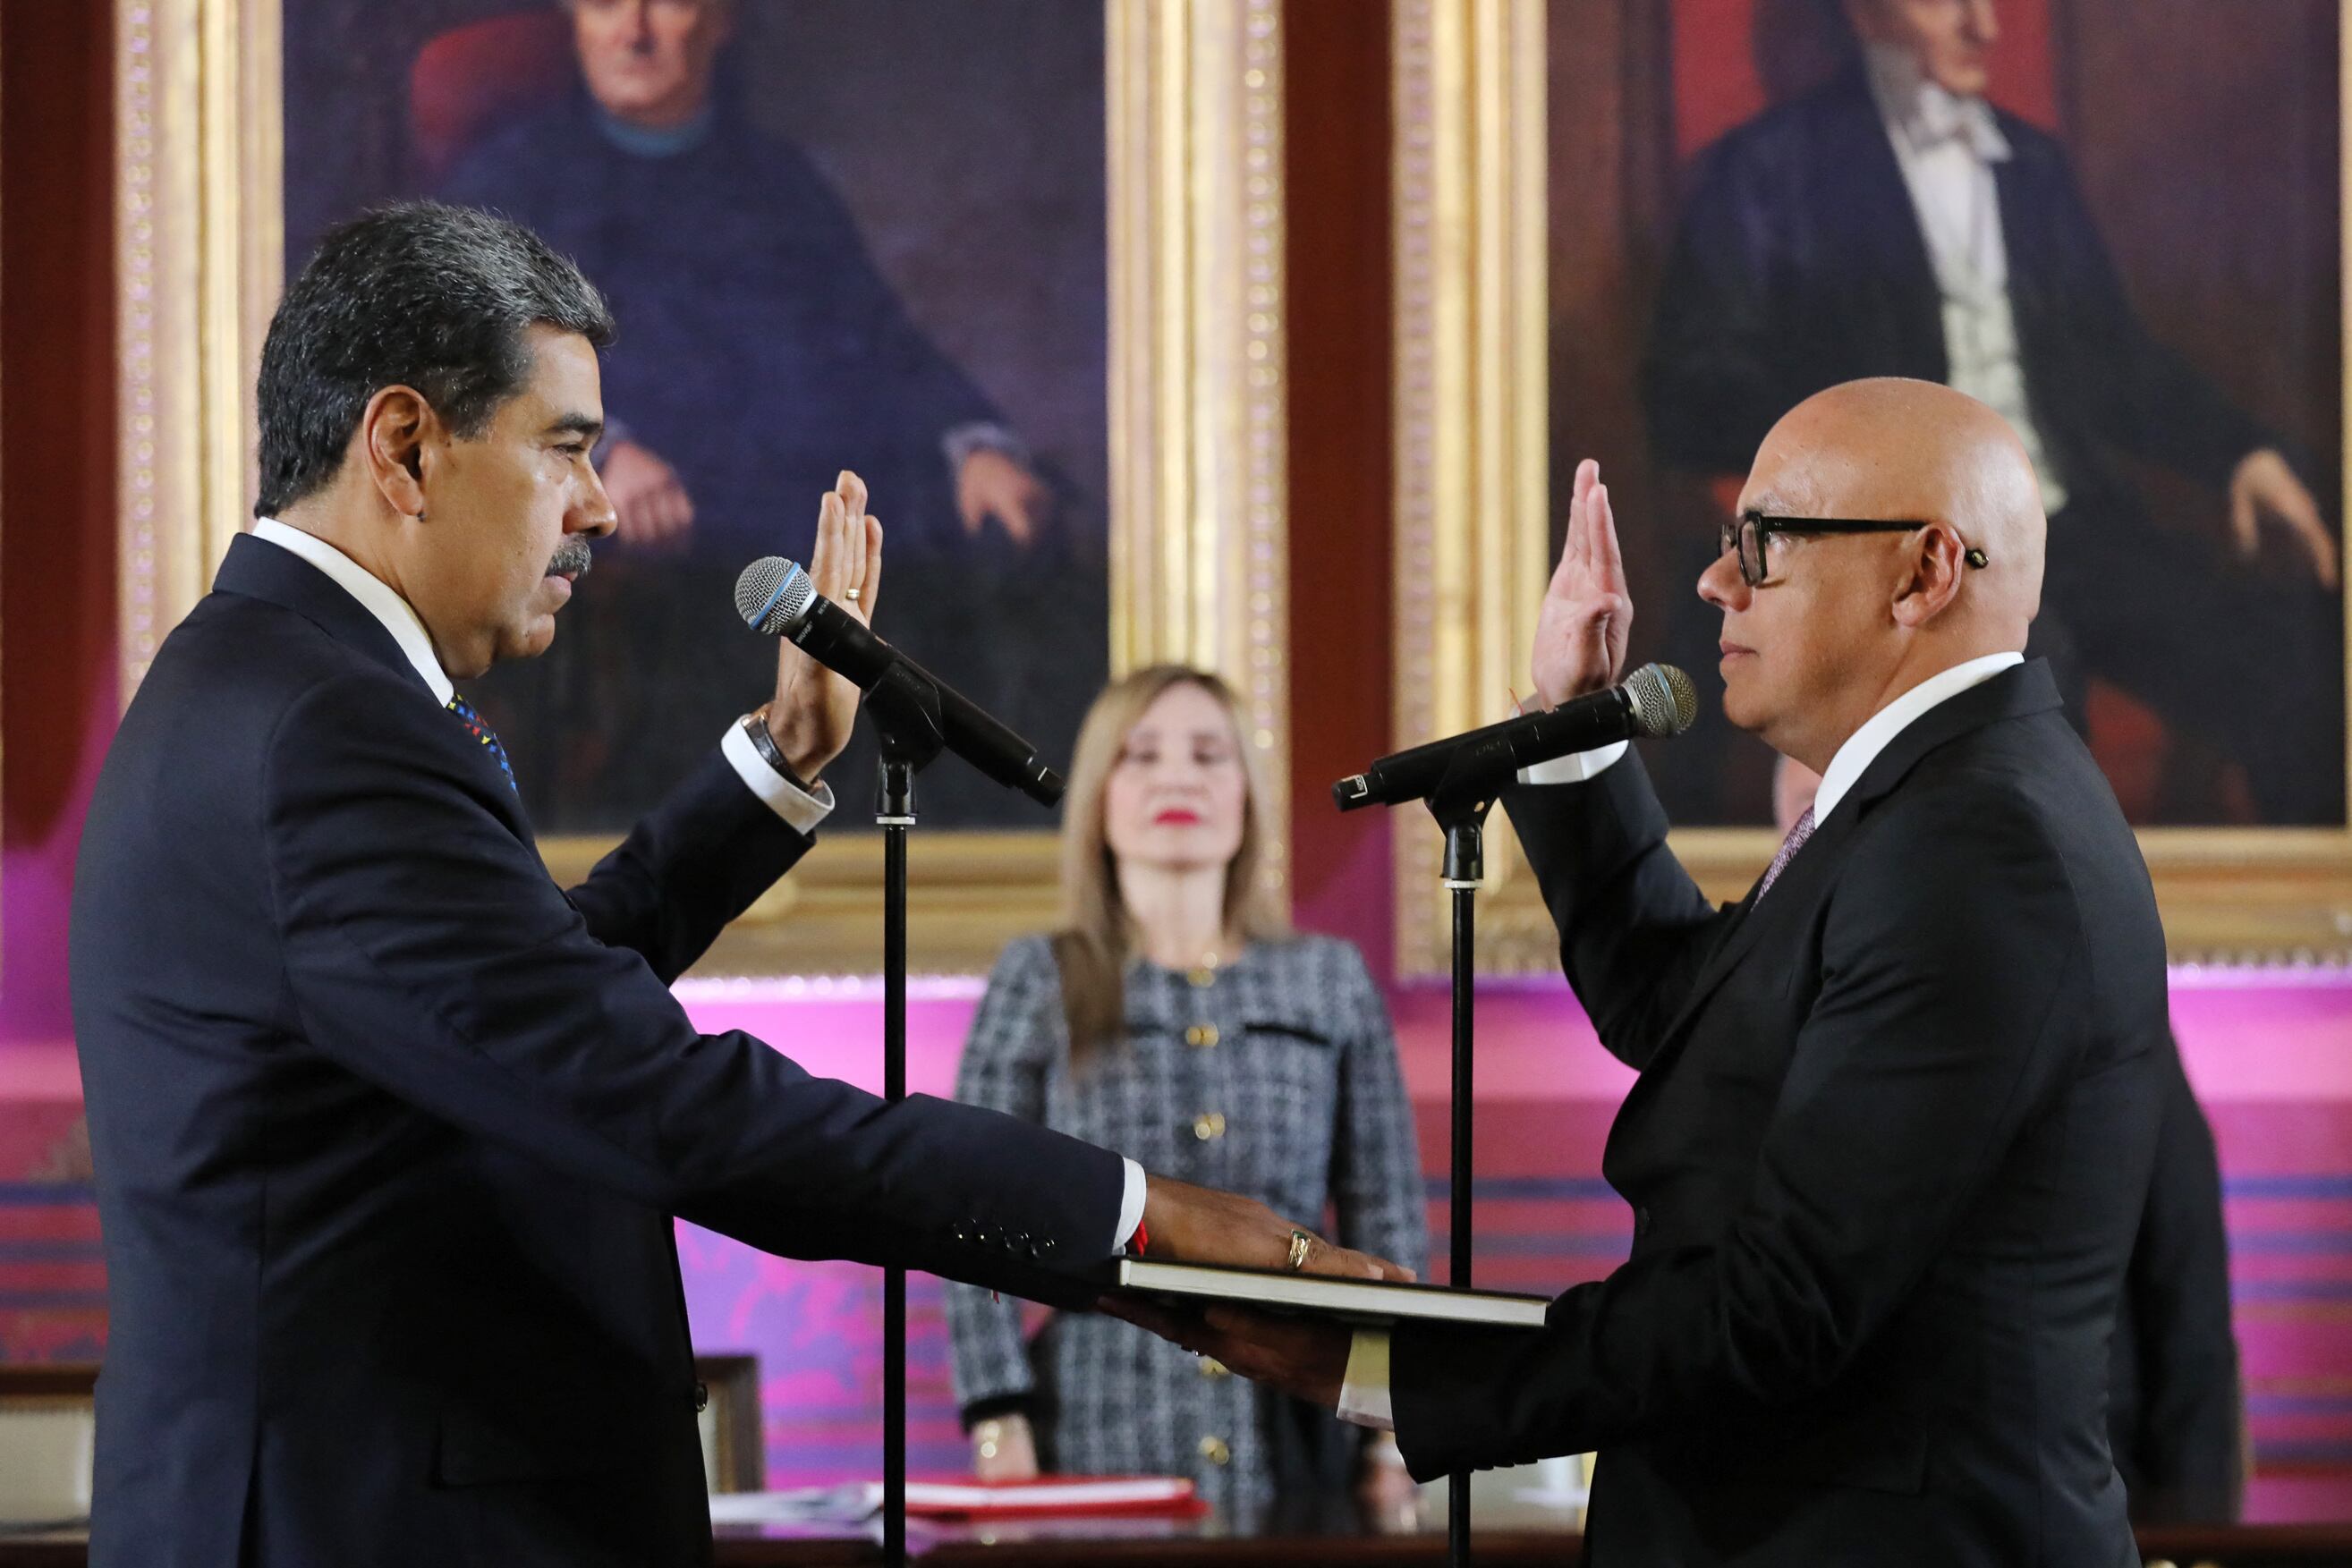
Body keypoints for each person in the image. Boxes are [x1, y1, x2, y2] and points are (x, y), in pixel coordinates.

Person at [67, 202, 1399, 1568]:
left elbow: (522, 1005)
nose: (597, 507)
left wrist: (778, 764)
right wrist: (1142, 1218)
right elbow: (656, 1098)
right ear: (406, 446)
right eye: (565, 449)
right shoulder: (324, 734)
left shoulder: (282, 689)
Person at [1116, 378, 2173, 1566]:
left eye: (1761, 545)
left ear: (1922, 574)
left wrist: (1393, 1366)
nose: (1717, 583)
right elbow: (1691, 1011)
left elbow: (1783, 1305)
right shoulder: (1928, 807)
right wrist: (1576, 729)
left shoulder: (1980, 844)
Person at [1642, 0, 2342, 824]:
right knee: (2033, 686)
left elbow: (2119, 365)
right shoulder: (1768, 171)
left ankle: (2281, 921)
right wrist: (1855, 461)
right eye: (1950, 1)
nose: (1987, 27)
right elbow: (1692, 387)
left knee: (2291, 662)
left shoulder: (2030, 166)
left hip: (2071, 524)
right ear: (1866, 16)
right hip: (1904, 547)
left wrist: (2243, 456)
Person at [437, 0, 1075, 827]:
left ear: (720, 21)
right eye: (604, 4)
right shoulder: (510, 185)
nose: (632, 31)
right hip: (649, 586)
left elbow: (882, 344)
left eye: (663, 5)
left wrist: (974, 446)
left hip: (799, 556)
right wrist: (597, 452)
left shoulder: (779, 183)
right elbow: (465, 361)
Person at [944, 666, 1428, 1523]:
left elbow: (1384, 1218)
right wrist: (997, 1416)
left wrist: (1392, 1428)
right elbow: (962, 1219)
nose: (1177, 778)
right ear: (1098, 794)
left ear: (1246, 791)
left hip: (1298, 1422)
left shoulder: (1327, 979)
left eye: (1208, 755)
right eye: (1141, 756)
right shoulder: (1039, 976)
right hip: (1095, 1421)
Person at [1771, 755, 2245, 1522]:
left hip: (2067, 1498)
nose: (1836, 829)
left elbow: (2183, 1292)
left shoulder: (2085, 989)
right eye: (1808, 808)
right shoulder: (1758, 1022)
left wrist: (2197, 1530)